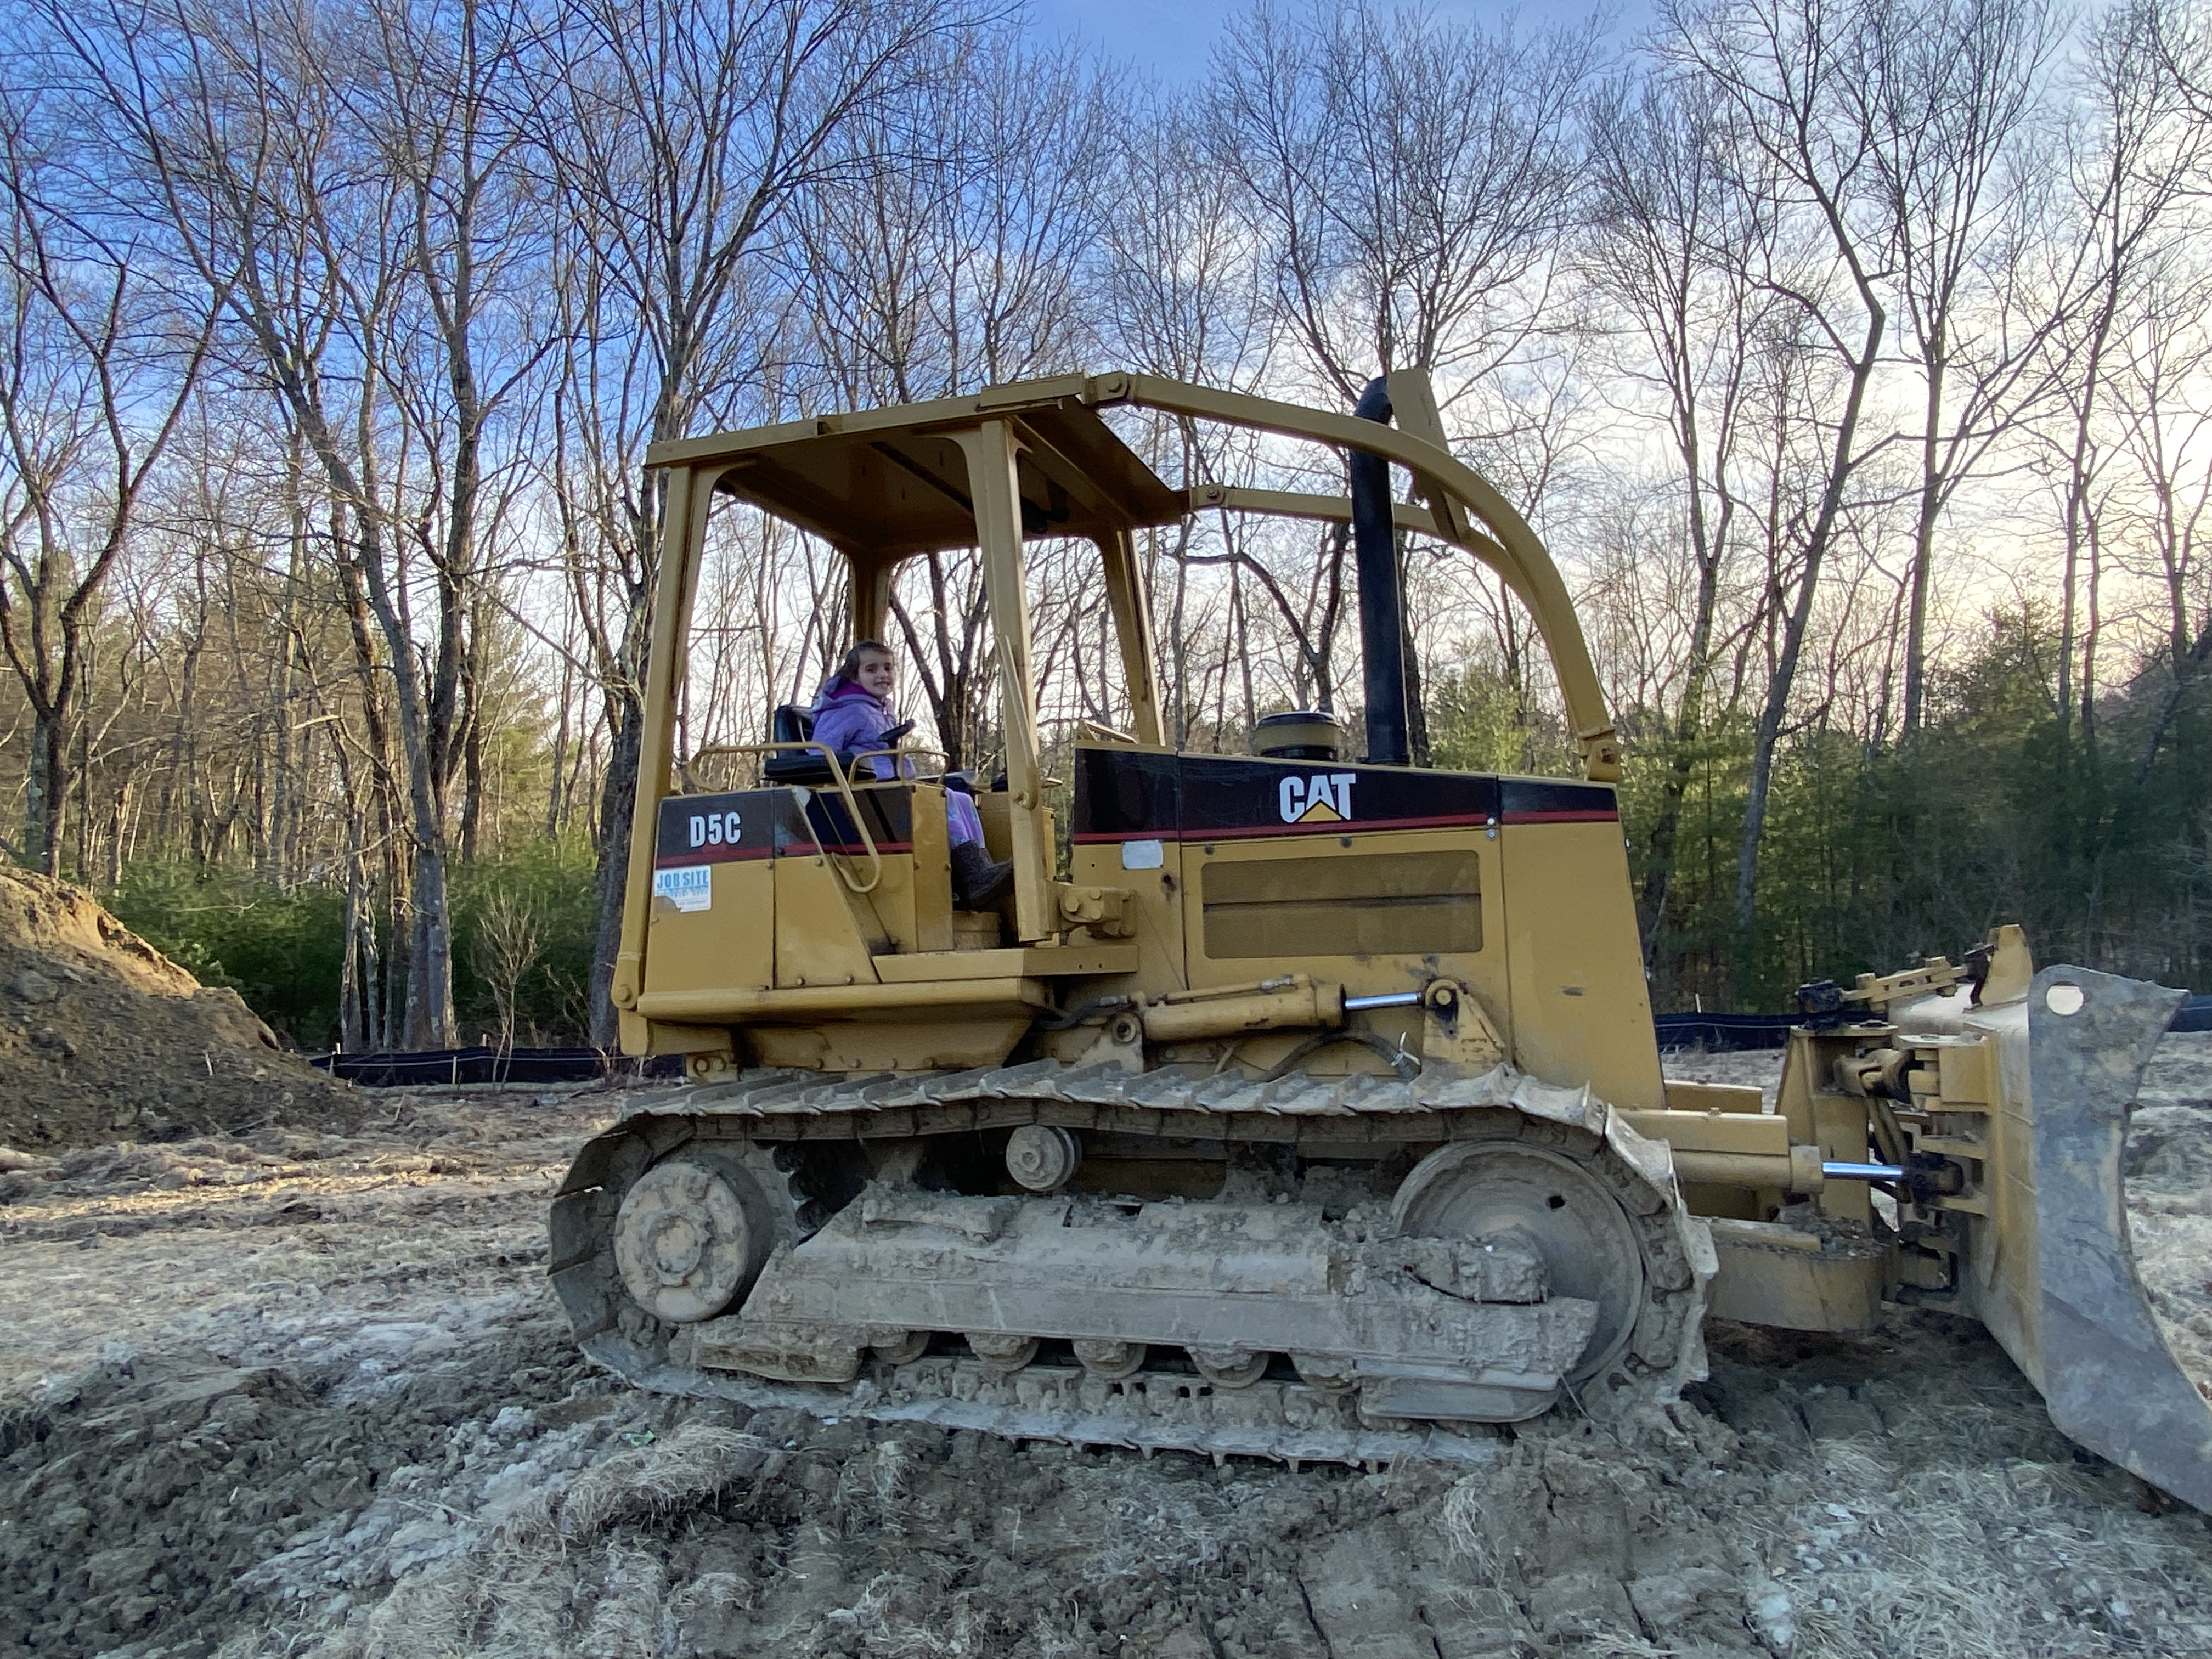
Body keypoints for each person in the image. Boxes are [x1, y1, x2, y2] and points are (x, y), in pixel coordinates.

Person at [808, 640, 1014, 910]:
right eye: (872, 669)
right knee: (947, 799)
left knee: (961, 798)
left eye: (888, 667)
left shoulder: (880, 710)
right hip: (865, 792)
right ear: (853, 676)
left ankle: (976, 871)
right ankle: (974, 878)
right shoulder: (847, 710)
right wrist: (857, 768)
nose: (883, 674)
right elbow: (819, 754)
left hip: (890, 786)